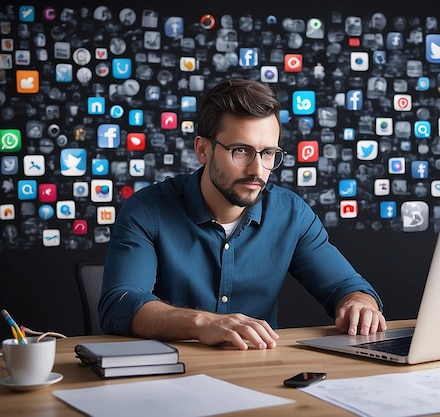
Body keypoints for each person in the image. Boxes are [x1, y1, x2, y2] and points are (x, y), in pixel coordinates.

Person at [99, 79, 386, 350]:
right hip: (168, 378)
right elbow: (121, 304)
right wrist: (202, 323)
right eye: (240, 150)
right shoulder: (148, 211)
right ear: (203, 150)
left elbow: (347, 288)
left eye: (268, 153)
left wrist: (360, 305)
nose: (257, 170)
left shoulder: (291, 214)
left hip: (259, 373)